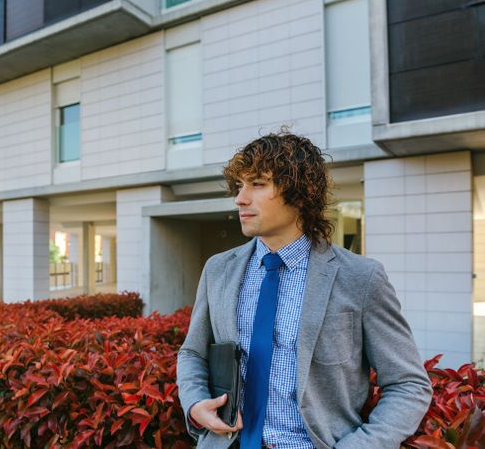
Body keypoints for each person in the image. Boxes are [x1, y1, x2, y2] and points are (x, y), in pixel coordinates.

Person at [176, 131, 432, 449]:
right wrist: (195, 403)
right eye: (240, 186)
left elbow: (408, 384)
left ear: (299, 192)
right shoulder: (218, 269)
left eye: (257, 184)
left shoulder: (361, 278)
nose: (240, 198)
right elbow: (193, 353)